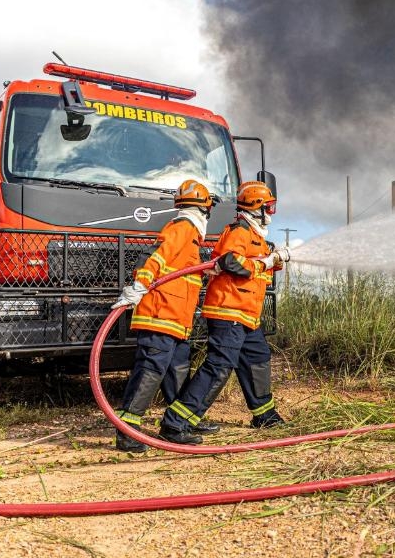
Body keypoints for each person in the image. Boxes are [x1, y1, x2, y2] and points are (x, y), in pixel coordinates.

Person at [159, 181, 288, 444]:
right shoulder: (239, 230)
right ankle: (176, 422)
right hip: (228, 311)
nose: (272, 213)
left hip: (247, 315)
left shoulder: (256, 236)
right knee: (219, 366)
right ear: (256, 207)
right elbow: (230, 261)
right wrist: (265, 262)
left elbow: (257, 265)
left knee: (257, 357)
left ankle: (264, 415)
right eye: (269, 207)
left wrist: (273, 259)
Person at [111, 179, 219, 451]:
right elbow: (155, 259)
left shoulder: (190, 236)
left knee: (177, 371)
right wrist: (138, 287)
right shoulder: (183, 228)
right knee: (150, 372)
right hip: (161, 316)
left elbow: (179, 270)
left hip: (176, 321)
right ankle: (127, 431)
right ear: (204, 209)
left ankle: (177, 425)